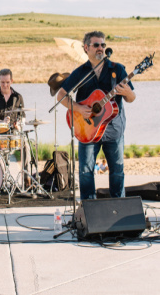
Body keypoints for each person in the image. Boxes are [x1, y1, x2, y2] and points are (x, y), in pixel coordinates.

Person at [56, 31, 136, 200]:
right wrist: (77, 108)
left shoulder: (117, 69)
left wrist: (128, 92)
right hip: (87, 129)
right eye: (96, 45)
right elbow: (61, 95)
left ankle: (118, 207)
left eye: (103, 45)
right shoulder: (80, 73)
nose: (100, 48)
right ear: (86, 48)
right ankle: (88, 209)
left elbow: (131, 98)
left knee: (116, 170)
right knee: (85, 171)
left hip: (114, 129)